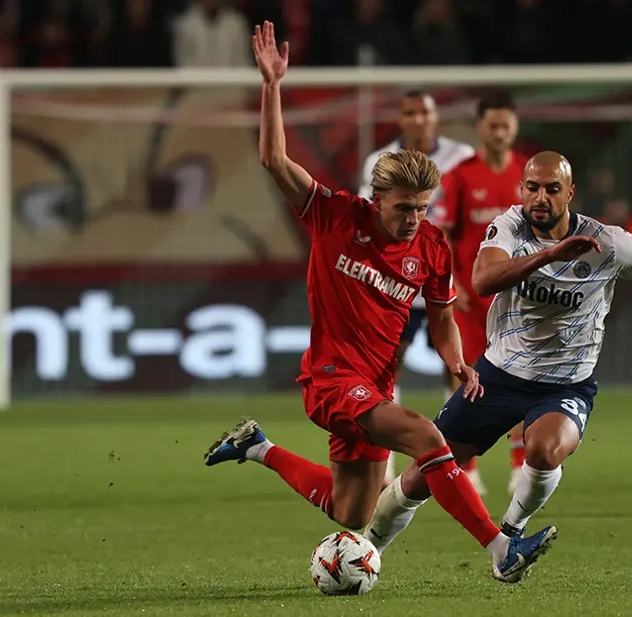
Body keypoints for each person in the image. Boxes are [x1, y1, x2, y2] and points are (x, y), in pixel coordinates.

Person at [204, 22, 559, 584]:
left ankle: (257, 447)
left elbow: (442, 317)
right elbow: (274, 159)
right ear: (377, 199)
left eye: (422, 207)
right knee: (428, 438)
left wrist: (455, 359)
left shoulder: (432, 245)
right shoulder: (334, 215)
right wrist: (272, 86)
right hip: (331, 379)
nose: (414, 219)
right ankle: (500, 548)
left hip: (378, 383)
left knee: (351, 515)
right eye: (404, 208)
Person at [364, 151, 632, 554]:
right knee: (424, 472)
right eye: (533, 188)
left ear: (570, 193)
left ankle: (510, 533)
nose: (541, 197)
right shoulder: (509, 226)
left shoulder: (608, 243)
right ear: (522, 190)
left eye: (552, 189)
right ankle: (366, 549)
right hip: (497, 376)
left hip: (566, 385)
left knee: (543, 449)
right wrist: (547, 256)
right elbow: (484, 279)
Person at [358, 90, 479, 488]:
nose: (419, 120)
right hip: (397, 284)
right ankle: (385, 464)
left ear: (434, 117)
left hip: (447, 279)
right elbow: (368, 221)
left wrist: (461, 273)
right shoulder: (378, 162)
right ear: (401, 118)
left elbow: (465, 227)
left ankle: (461, 468)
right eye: (410, 113)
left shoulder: (461, 158)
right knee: (387, 368)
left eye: (425, 112)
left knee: (457, 369)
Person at [431, 90, 530, 495]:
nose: (500, 131)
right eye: (493, 125)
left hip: (521, 302)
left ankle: (520, 465)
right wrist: (454, 281)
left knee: (525, 380)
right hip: (474, 303)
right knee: (466, 379)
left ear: (515, 127)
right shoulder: (461, 177)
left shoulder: (528, 176)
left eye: (506, 124)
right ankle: (465, 466)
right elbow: (442, 235)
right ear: (480, 128)